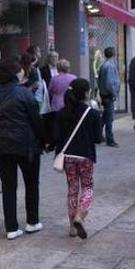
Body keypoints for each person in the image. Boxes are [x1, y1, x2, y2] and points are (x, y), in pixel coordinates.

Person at [0, 59, 46, 240]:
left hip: (1, 147)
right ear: (14, 73)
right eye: (20, 70)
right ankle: (32, 221)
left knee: (8, 187)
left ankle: (11, 228)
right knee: (31, 184)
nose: (22, 72)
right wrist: (43, 141)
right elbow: (36, 120)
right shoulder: (24, 93)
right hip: (26, 146)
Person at [52, 79, 102, 239]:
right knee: (87, 187)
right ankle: (79, 216)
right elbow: (97, 138)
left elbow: (56, 137)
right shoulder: (92, 113)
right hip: (85, 155)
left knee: (72, 189)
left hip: (67, 157)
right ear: (86, 93)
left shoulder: (61, 113)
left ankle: (72, 227)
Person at [96, 47, 120, 147]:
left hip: (105, 94)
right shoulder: (109, 66)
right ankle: (110, 140)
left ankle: (97, 134)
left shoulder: (105, 65)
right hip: (108, 94)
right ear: (114, 54)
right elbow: (110, 83)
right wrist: (114, 93)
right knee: (109, 118)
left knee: (106, 117)